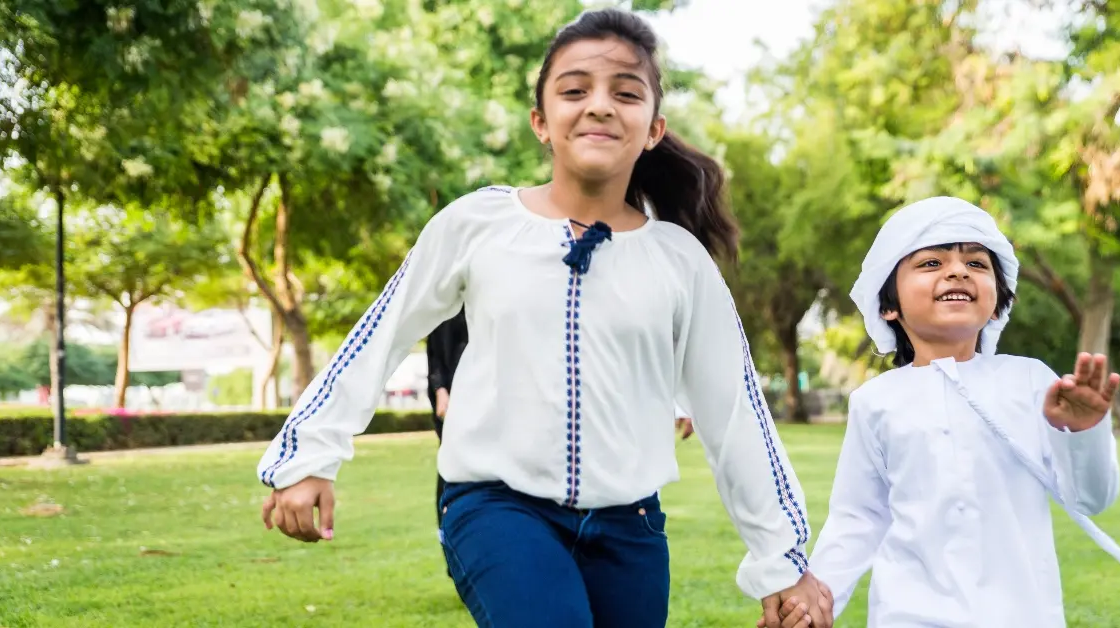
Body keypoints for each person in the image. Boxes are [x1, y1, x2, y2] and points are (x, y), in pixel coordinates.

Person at [257, 7, 833, 628]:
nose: (601, 105)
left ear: (653, 128)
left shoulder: (680, 261)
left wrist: (782, 560)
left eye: (626, 93)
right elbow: (381, 332)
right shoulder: (478, 224)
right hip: (496, 508)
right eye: (575, 90)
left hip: (631, 526)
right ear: (541, 121)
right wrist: (309, 456)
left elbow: (735, 410)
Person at [775, 197, 1120, 627]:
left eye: (976, 263)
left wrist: (1083, 433)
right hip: (908, 615)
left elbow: (1091, 498)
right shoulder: (875, 400)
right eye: (931, 263)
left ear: (999, 298)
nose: (957, 271)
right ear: (888, 305)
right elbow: (858, 517)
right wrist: (817, 602)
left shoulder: (1030, 381)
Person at [426, 306, 468, 527]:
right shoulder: (446, 302)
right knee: (450, 464)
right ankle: (447, 531)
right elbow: (434, 350)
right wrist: (439, 388)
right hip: (453, 393)